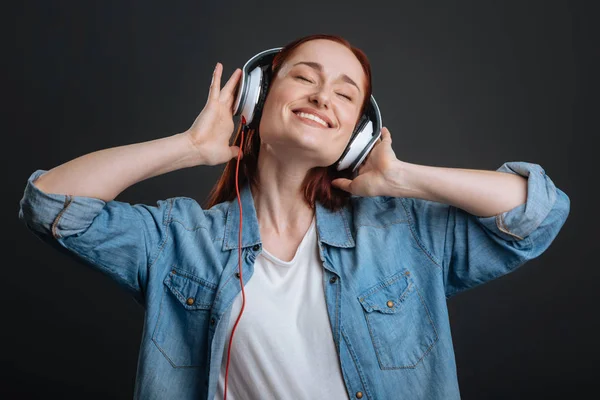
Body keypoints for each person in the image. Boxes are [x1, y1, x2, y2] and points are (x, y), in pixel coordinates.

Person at [18, 33, 570, 400]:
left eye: (345, 93)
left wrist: (403, 177)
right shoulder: (179, 240)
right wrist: (187, 146)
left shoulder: (404, 233)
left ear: (355, 134)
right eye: (304, 77)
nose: (323, 96)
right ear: (258, 98)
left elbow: (537, 213)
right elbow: (50, 204)